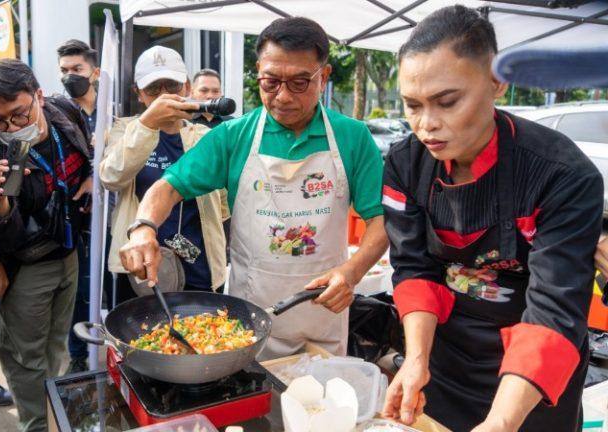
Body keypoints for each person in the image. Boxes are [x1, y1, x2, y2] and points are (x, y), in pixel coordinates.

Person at [380, 6, 602, 432]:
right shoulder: (407, 163)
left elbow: (555, 307)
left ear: (497, 82)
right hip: (447, 356)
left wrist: (501, 421)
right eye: (412, 105)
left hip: (535, 371)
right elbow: (415, 267)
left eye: (447, 101)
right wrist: (415, 361)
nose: (427, 125)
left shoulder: (561, 174)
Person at [118, 19, 388, 360]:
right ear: (258, 71)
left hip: (324, 314)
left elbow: (380, 221)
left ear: (324, 75)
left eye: (300, 82)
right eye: (271, 82)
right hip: (249, 320)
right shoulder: (234, 136)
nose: (284, 96)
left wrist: (353, 272)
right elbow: (167, 187)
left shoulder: (353, 138)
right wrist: (143, 228)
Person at [0, 59, 93, 432]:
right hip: (27, 267)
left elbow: (88, 147)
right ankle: (37, 425)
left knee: (56, 345)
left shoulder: (64, 112)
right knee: (26, 356)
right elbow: (1, 238)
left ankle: (56, 414)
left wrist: (90, 175)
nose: (11, 127)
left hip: (69, 251)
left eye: (19, 114)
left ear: (39, 96)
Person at [100, 46, 228, 305]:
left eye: (171, 86)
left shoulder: (205, 136)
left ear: (187, 86)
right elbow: (111, 176)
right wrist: (148, 124)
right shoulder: (124, 130)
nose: (163, 96)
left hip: (199, 264)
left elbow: (224, 203)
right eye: (153, 89)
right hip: (140, 267)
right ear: (138, 93)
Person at [56, 38, 103, 373]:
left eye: (77, 69)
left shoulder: (114, 110)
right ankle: (77, 354)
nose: (70, 76)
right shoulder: (57, 112)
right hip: (75, 215)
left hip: (111, 215)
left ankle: (109, 349)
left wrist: (94, 174)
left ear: (94, 72)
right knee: (78, 289)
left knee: (106, 284)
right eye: (64, 71)